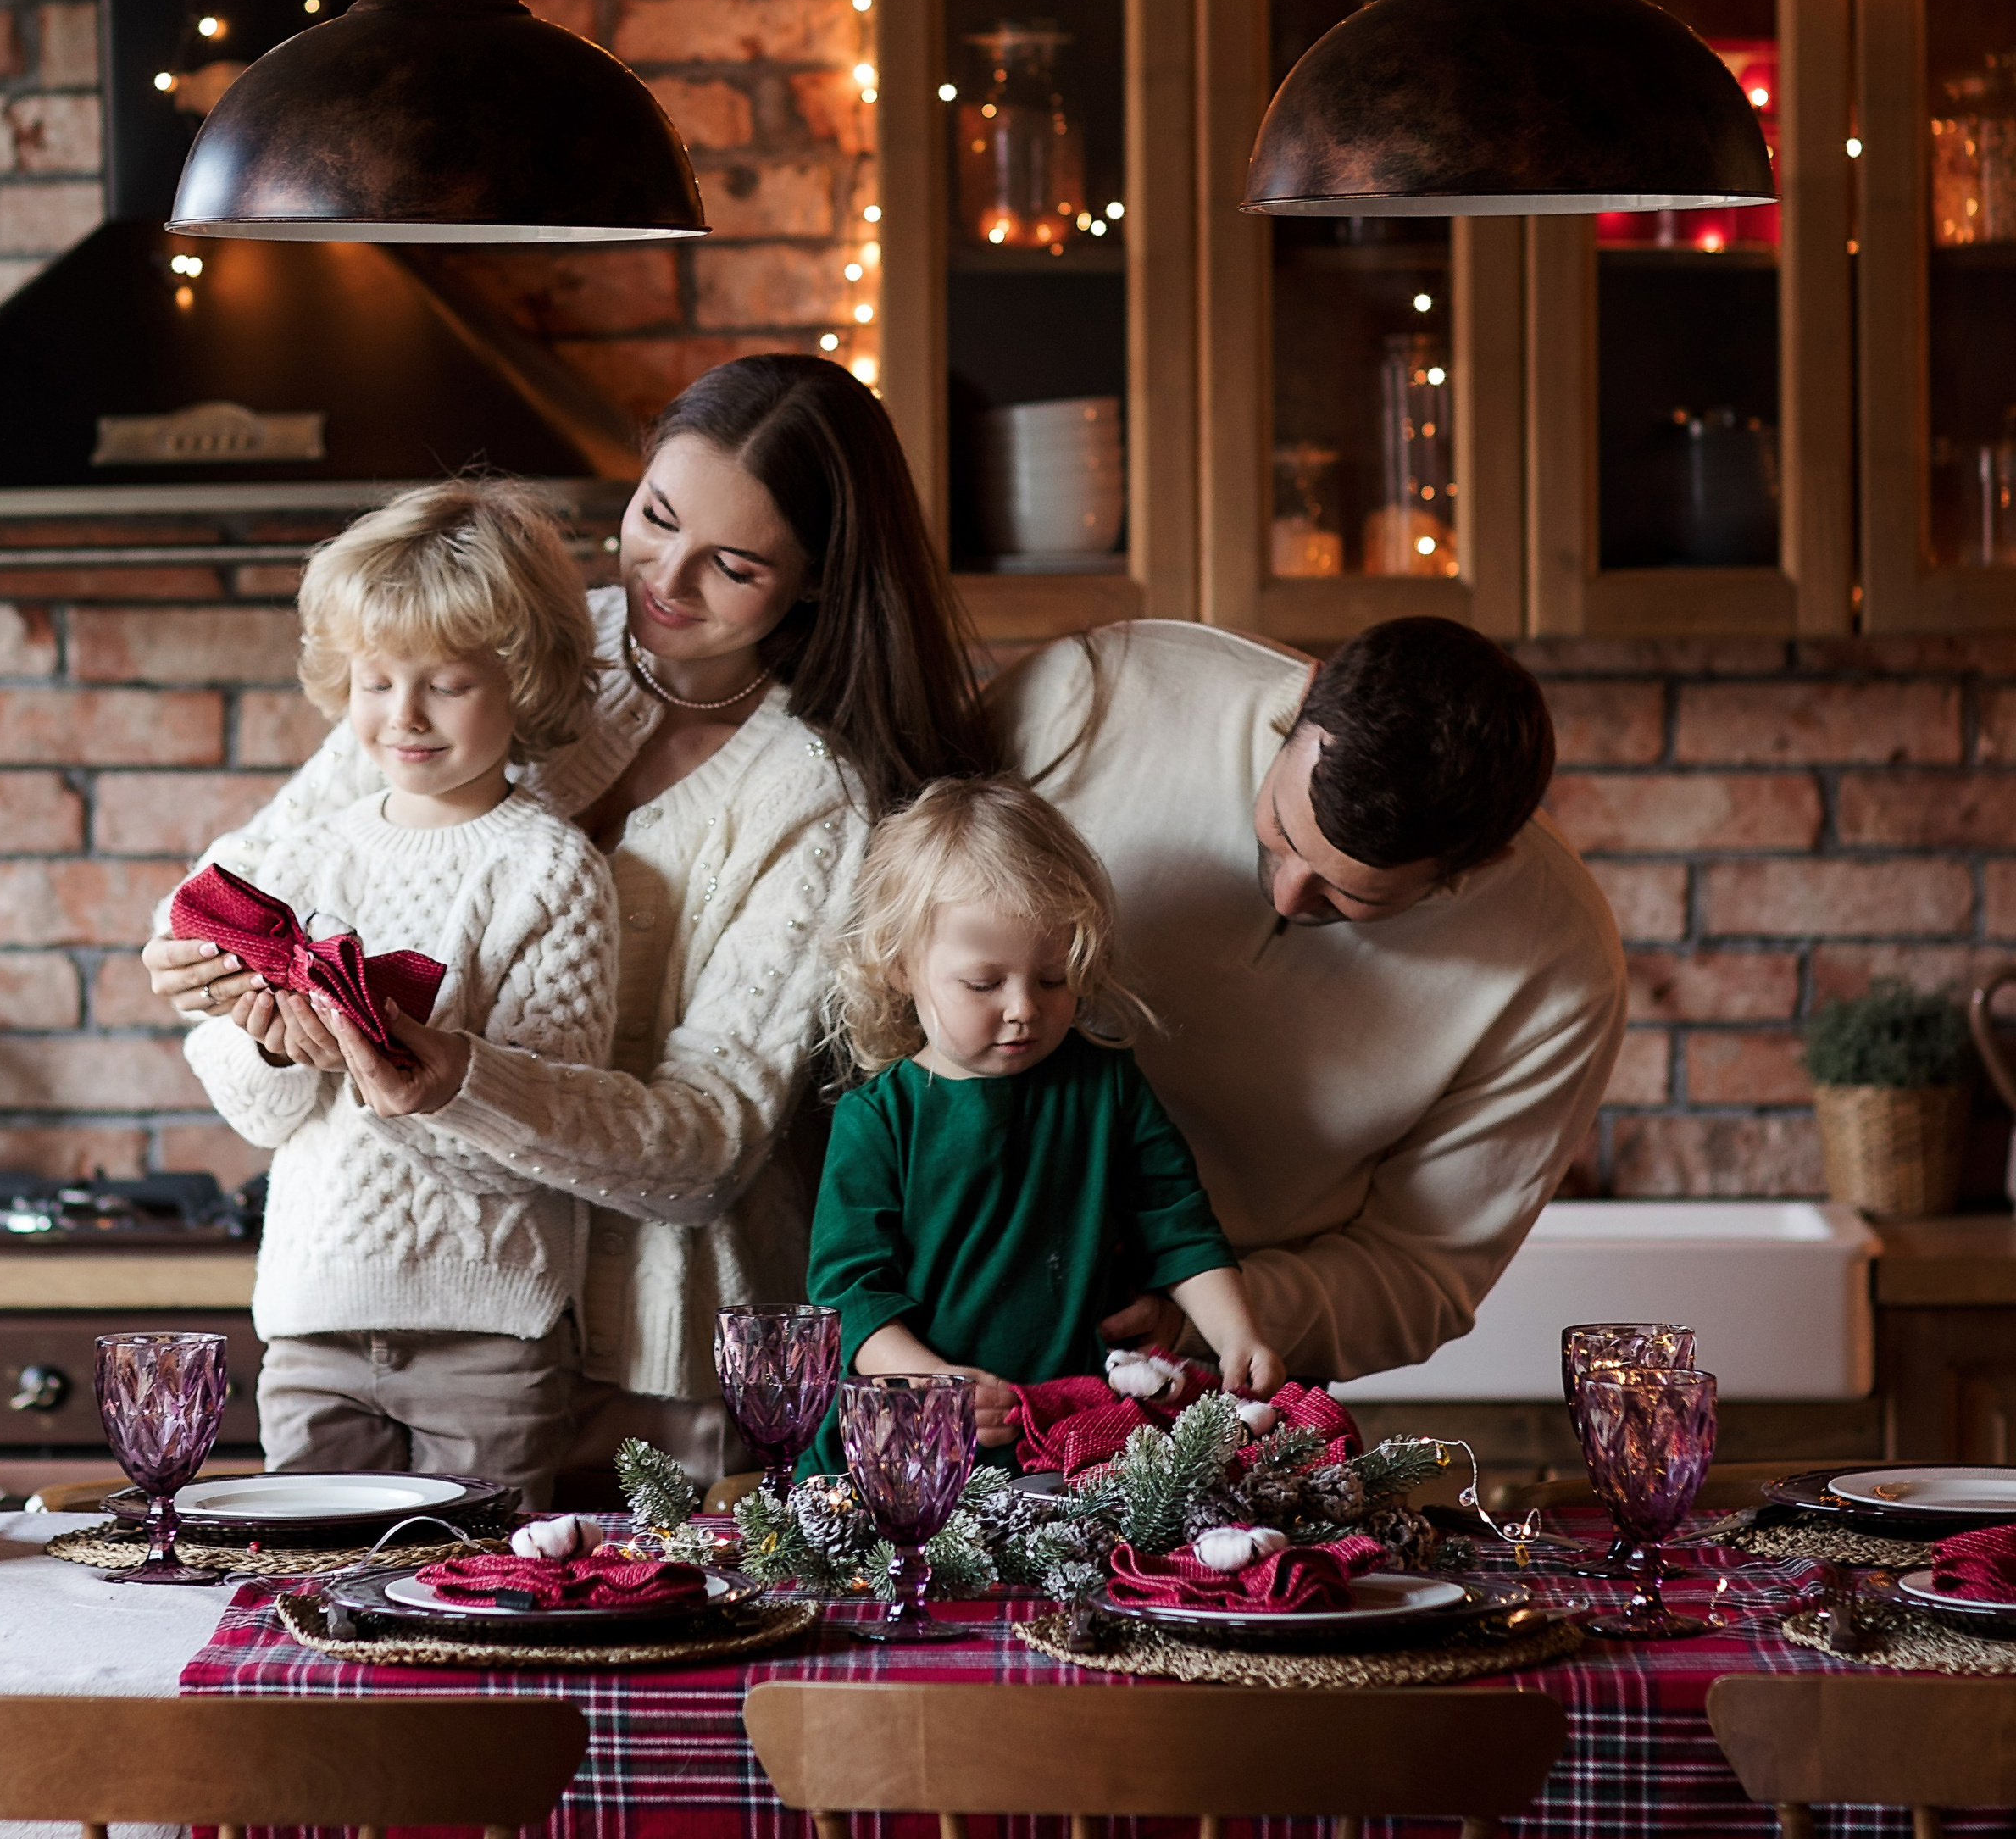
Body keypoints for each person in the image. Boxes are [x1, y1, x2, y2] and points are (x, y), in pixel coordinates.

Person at [144, 356, 991, 1487]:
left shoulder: (813, 796)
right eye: (655, 518)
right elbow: (248, 891)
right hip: (393, 1297)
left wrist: (465, 1079)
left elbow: (710, 1144)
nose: (668, 581)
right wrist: (221, 985)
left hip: (653, 1359)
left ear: (817, 584)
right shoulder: (492, 637)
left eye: (733, 566)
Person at [990, 612, 1627, 1387]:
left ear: (1478, 863)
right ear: (1311, 692)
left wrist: (1204, 1312)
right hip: (944, 1271)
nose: (1291, 894)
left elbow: (1416, 1272)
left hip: (1201, 1387)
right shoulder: (1104, 691)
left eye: (1350, 892)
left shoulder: (1560, 971)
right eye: (1281, 828)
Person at [177, 481, 615, 1505]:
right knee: (318, 1615)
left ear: (525, 681)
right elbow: (256, 1111)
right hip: (311, 1319)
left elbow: (532, 1142)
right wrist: (277, 1048)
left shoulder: (550, 873)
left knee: (473, 1613)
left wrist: (406, 1071)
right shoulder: (302, 853)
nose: (402, 715)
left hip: (489, 1337)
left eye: (447, 684)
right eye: (375, 681)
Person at [805, 776, 1281, 1461]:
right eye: (984, 982)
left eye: (1053, 976)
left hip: (1077, 1436)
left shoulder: (1106, 1086)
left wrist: (1238, 1334)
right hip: (914, 1440)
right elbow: (850, 1297)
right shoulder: (877, 1119)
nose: (1024, 1006)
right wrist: (932, 1383)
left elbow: (1178, 1224)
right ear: (900, 966)